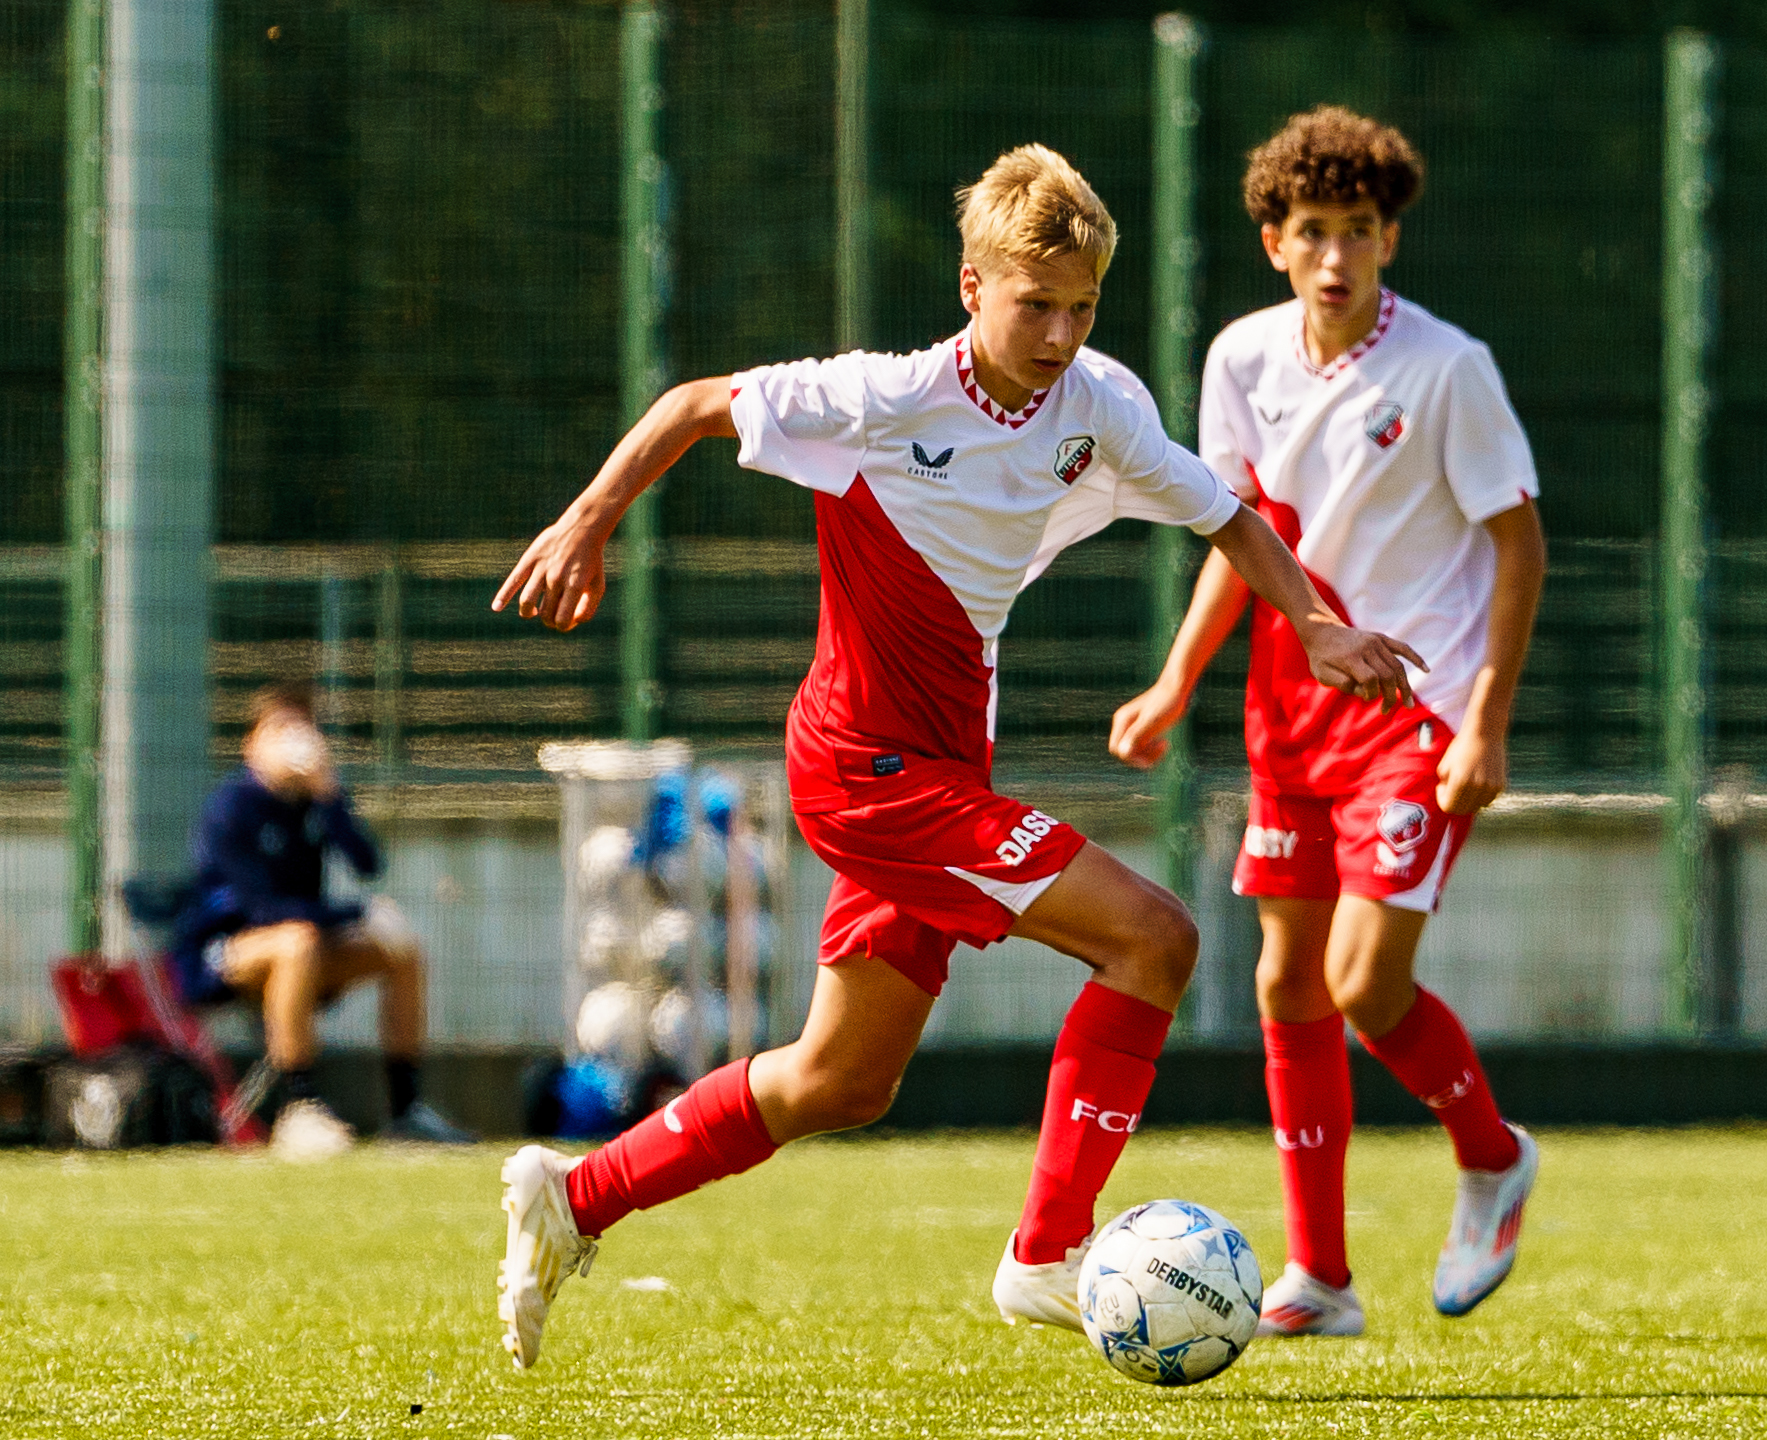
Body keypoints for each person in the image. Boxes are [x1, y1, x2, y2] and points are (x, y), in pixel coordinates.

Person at [483, 143, 1421, 1369]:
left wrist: (1311, 619)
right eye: (1036, 304)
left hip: (942, 771)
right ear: (972, 285)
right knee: (1156, 938)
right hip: (862, 771)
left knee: (840, 1080)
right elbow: (697, 405)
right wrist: (584, 521)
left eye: (1082, 306)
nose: (1060, 332)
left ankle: (572, 1198)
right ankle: (1045, 1252)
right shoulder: (880, 395)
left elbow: (1228, 515)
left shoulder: (1099, 405)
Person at [1109, 106, 1544, 1336]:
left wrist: (1486, 728)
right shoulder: (1242, 359)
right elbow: (1243, 537)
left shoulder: (1447, 370)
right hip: (1287, 713)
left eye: (1360, 231)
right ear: (1274, 243)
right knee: (1288, 982)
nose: (1337, 256)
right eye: (1313, 232)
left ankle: (1490, 1151)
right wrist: (1176, 683)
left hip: (1415, 706)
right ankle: (1323, 1277)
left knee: (1361, 980)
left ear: (1389, 240)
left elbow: (1517, 545)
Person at [174, 682, 474, 1149]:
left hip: (306, 946)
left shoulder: (312, 801)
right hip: (225, 956)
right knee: (298, 941)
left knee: (400, 950)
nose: (295, 738)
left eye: (302, 726)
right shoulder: (231, 807)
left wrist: (329, 793)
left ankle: (406, 1111)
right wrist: (356, 913)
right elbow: (260, 910)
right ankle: (301, 1108)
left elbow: (368, 862)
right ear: (250, 743)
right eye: (279, 728)